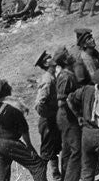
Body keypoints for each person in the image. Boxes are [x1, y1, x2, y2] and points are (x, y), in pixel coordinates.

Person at [0, 78, 48, 181]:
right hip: (8, 143)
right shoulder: (14, 108)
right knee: (38, 166)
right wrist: (30, 147)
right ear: (6, 90)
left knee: (2, 176)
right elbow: (24, 131)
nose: (10, 87)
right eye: (8, 85)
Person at [53, 48, 82, 181]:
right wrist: (78, 115)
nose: (71, 55)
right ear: (65, 60)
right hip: (68, 117)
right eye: (68, 55)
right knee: (76, 150)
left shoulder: (67, 73)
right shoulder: (66, 76)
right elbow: (62, 101)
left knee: (67, 150)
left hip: (66, 116)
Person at [34, 51, 63, 181]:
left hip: (53, 120)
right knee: (46, 153)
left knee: (55, 148)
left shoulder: (52, 76)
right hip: (48, 122)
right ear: (46, 63)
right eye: (49, 57)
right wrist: (50, 115)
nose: (52, 58)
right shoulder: (47, 79)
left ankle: (56, 175)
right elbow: (39, 104)